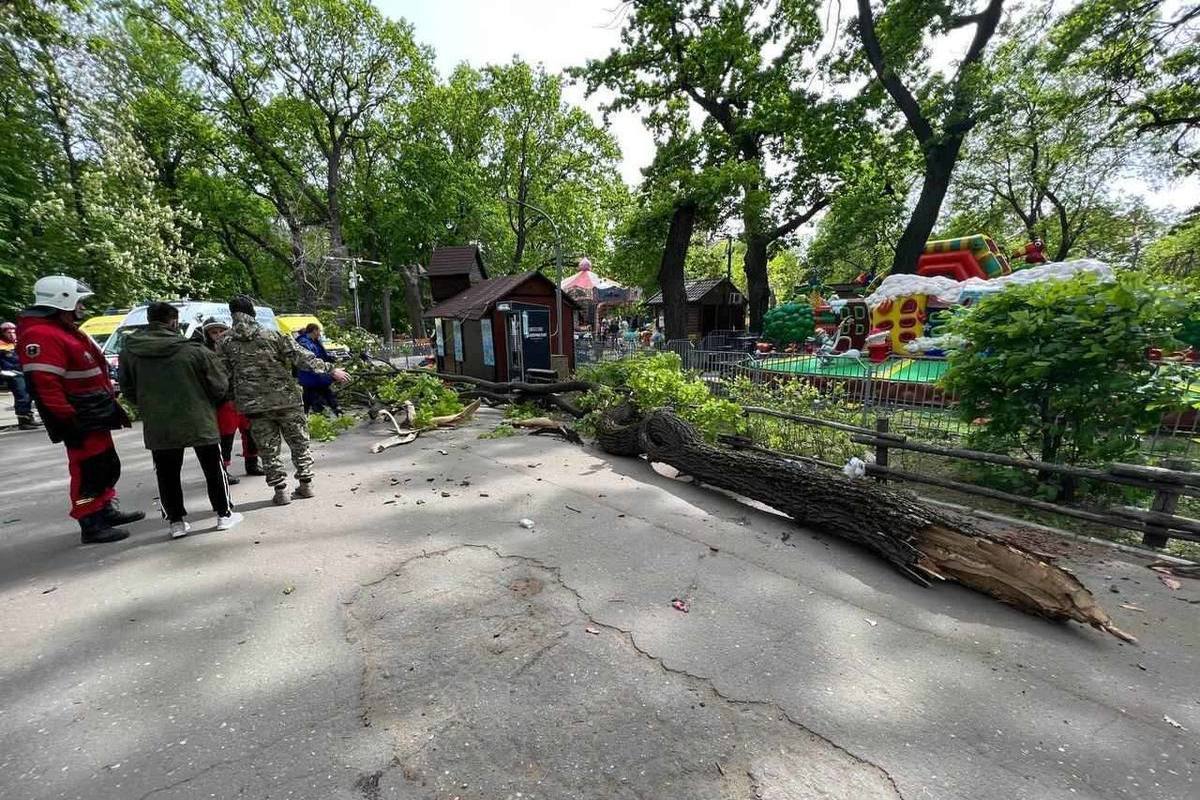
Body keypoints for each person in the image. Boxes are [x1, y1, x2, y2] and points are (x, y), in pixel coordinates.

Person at [17, 275, 144, 544]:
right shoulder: (41, 334)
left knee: (105, 464)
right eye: (79, 304)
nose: (82, 309)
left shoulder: (61, 329)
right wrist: (66, 418)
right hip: (79, 415)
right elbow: (45, 384)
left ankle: (104, 509)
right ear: (63, 301)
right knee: (88, 470)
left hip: (93, 410)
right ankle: (90, 520)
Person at [119, 303, 241, 538]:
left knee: (166, 473)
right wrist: (209, 403)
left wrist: (148, 406)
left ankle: (176, 521)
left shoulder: (130, 352)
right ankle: (223, 514)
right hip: (199, 418)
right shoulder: (194, 350)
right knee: (213, 467)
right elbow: (219, 385)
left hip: (159, 422)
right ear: (173, 322)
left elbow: (128, 388)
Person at [218, 296, 349, 506]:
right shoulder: (273, 334)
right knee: (299, 443)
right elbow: (302, 357)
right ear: (252, 312)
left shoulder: (224, 342)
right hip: (286, 399)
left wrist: (232, 399)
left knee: (268, 449)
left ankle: (281, 491)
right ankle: (306, 485)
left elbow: (224, 375)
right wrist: (331, 370)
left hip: (254, 405)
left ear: (231, 314)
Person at [200, 319, 261, 481]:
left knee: (250, 431)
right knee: (226, 435)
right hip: (224, 400)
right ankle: (223, 470)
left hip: (245, 395)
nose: (219, 335)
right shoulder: (205, 352)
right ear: (207, 335)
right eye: (214, 332)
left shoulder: (237, 346)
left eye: (221, 331)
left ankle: (252, 463)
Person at [295, 323, 342, 415]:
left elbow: (322, 355)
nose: (320, 333)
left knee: (325, 395)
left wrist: (330, 358)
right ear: (314, 331)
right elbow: (308, 360)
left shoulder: (315, 341)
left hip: (318, 377)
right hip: (310, 378)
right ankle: (321, 416)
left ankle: (337, 412)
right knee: (315, 399)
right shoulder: (304, 343)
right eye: (319, 331)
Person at [2, 321, 40, 429]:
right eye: (8, 333)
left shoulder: (18, 343)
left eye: (13, 332)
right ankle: (23, 421)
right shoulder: (1, 345)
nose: (11, 335)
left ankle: (29, 418)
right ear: (3, 333)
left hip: (23, 371)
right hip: (12, 374)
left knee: (29, 395)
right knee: (22, 396)